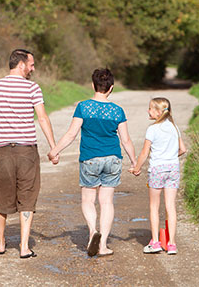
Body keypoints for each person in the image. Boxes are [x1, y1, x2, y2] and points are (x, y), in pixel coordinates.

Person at [0, 49, 57, 258]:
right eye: (31, 64)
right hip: (27, 151)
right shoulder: (32, 88)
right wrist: (53, 147)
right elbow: (43, 118)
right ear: (21, 65)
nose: (33, 68)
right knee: (27, 196)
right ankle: (24, 247)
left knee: (1, 195)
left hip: (3, 152)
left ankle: (0, 244)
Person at [48, 68, 137, 257]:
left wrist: (54, 151)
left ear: (92, 85)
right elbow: (126, 140)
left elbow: (72, 134)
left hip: (90, 159)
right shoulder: (117, 111)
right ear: (111, 88)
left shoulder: (83, 107)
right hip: (113, 159)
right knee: (106, 202)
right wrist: (134, 161)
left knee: (88, 200)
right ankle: (103, 244)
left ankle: (92, 232)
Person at [131, 97, 187, 255]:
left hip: (157, 169)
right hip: (173, 168)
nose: (148, 111)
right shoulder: (174, 127)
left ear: (157, 112)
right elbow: (183, 149)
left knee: (154, 207)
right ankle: (172, 244)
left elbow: (144, 153)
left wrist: (136, 168)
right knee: (171, 206)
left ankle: (155, 242)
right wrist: (171, 156)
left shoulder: (152, 129)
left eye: (150, 108)